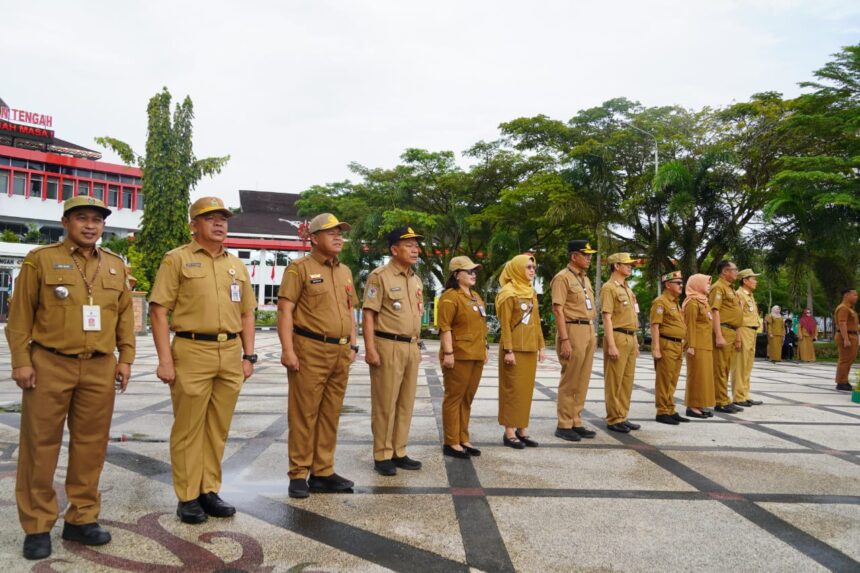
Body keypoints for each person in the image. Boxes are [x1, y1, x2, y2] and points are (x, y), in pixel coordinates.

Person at [4, 196, 135, 560]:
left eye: (97, 219)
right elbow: (19, 318)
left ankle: (81, 518)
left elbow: (124, 315)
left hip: (99, 366)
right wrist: (21, 361)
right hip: (49, 363)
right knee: (40, 445)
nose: (90, 225)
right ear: (65, 222)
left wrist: (126, 358)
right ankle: (37, 525)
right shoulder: (41, 260)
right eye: (82, 218)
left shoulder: (114, 265)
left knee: (91, 446)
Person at [149, 197, 257, 524]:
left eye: (223, 218)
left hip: (229, 353)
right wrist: (165, 360)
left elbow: (248, 312)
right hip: (192, 350)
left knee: (217, 427)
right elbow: (158, 310)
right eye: (210, 218)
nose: (219, 223)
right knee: (188, 428)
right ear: (194, 225)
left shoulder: (235, 265)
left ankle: (209, 490)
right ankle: (187, 496)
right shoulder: (177, 260)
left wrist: (249, 354)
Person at [277, 213, 358, 499]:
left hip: (340, 351)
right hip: (309, 349)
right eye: (331, 232)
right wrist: (287, 350)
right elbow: (285, 310)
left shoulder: (345, 271)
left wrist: (353, 343)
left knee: (330, 413)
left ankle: (323, 471)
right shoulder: (298, 269)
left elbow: (350, 310)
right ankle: (298, 473)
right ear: (313, 238)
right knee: (304, 414)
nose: (338, 237)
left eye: (340, 232)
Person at [363, 227, 424, 475]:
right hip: (387, 345)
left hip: (411, 346)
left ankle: (399, 450)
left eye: (416, 245)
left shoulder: (415, 279)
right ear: (394, 249)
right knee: (385, 403)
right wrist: (369, 348)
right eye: (408, 245)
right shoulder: (380, 276)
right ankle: (382, 454)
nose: (415, 249)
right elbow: (368, 314)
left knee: (405, 402)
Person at [437, 256, 489, 458]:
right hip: (458, 355)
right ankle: (451, 441)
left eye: (475, 271)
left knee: (467, 398)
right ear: (457, 275)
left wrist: (484, 347)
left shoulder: (475, 296)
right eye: (469, 271)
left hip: (475, 354)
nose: (473, 274)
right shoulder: (450, 297)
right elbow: (444, 327)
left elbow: (481, 327)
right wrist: (448, 352)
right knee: (454, 397)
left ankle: (463, 437)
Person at [550, 240, 598, 442]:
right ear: (573, 256)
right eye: (585, 254)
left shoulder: (584, 279)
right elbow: (558, 310)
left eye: (589, 255)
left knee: (583, 379)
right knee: (570, 379)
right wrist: (565, 339)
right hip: (572, 328)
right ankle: (564, 423)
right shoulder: (562, 278)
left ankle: (576, 420)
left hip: (587, 328)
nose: (589, 258)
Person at [497, 254, 546, 448]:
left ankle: (522, 428)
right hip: (514, 349)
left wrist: (541, 346)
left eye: (533, 267)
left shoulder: (531, 291)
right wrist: (508, 349)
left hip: (530, 348)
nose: (532, 270)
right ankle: (509, 432)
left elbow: (536, 322)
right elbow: (506, 326)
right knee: (512, 390)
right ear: (517, 268)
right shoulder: (507, 293)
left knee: (525, 390)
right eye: (528, 267)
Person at [600, 252, 641, 433]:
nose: (630, 266)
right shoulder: (609, 288)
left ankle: (622, 415)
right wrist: (611, 344)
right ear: (616, 266)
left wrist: (637, 342)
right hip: (617, 335)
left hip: (631, 337)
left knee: (627, 380)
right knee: (614, 380)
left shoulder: (627, 288)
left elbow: (633, 317)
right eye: (626, 264)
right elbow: (607, 318)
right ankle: (613, 418)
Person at [649, 271, 688, 425]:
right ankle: (662, 411)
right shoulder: (661, 302)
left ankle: (670, 408)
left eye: (681, 282)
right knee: (664, 380)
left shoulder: (675, 302)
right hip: (666, 344)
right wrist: (656, 348)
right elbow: (655, 326)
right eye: (677, 283)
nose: (681, 285)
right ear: (667, 284)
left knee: (673, 379)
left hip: (677, 345)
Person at [708, 260, 743, 414]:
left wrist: (737, 337)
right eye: (734, 269)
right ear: (724, 271)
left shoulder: (730, 289)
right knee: (720, 368)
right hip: (724, 330)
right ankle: (720, 401)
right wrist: (718, 335)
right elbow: (714, 311)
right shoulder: (718, 287)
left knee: (726, 367)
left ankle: (725, 399)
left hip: (732, 331)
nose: (736, 272)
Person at [683, 274, 715, 419]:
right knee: (696, 376)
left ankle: (700, 404)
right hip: (696, 345)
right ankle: (692, 406)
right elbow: (689, 326)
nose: (709, 286)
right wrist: (691, 345)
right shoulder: (692, 303)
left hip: (706, 345)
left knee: (704, 377)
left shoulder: (704, 302)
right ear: (697, 284)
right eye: (706, 283)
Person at [730, 269, 763, 407]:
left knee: (748, 365)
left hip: (752, 331)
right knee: (740, 365)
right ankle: (738, 396)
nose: (756, 281)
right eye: (753, 278)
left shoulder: (750, 295)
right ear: (744, 280)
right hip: (743, 331)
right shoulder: (739, 295)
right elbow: (737, 318)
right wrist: (737, 337)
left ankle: (745, 394)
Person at [834, 288, 859, 392]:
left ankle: (844, 381)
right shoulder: (843, 308)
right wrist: (846, 339)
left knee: (849, 360)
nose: (856, 297)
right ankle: (841, 382)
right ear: (846, 295)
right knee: (845, 360)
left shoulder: (850, 309)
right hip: (846, 336)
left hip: (852, 335)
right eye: (854, 295)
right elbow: (842, 323)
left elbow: (852, 325)